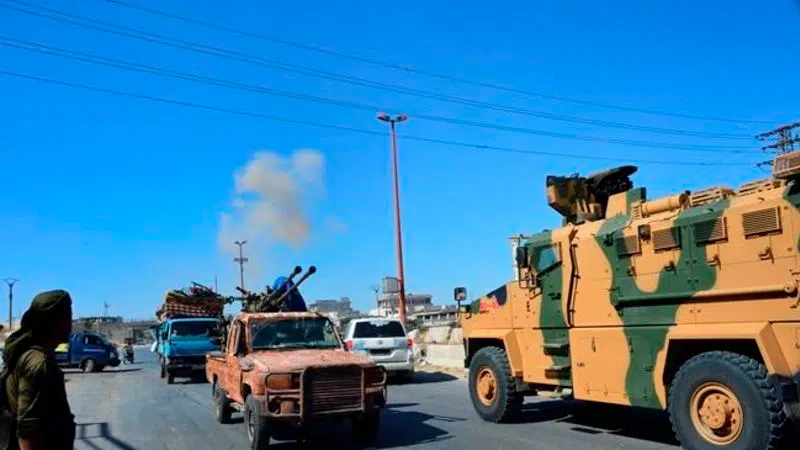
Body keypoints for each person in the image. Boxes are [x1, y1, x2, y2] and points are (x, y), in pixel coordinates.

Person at [0, 289, 76, 450]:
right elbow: (28, 430)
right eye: (68, 318)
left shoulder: (29, 355)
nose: (70, 324)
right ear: (57, 323)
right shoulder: (38, 363)